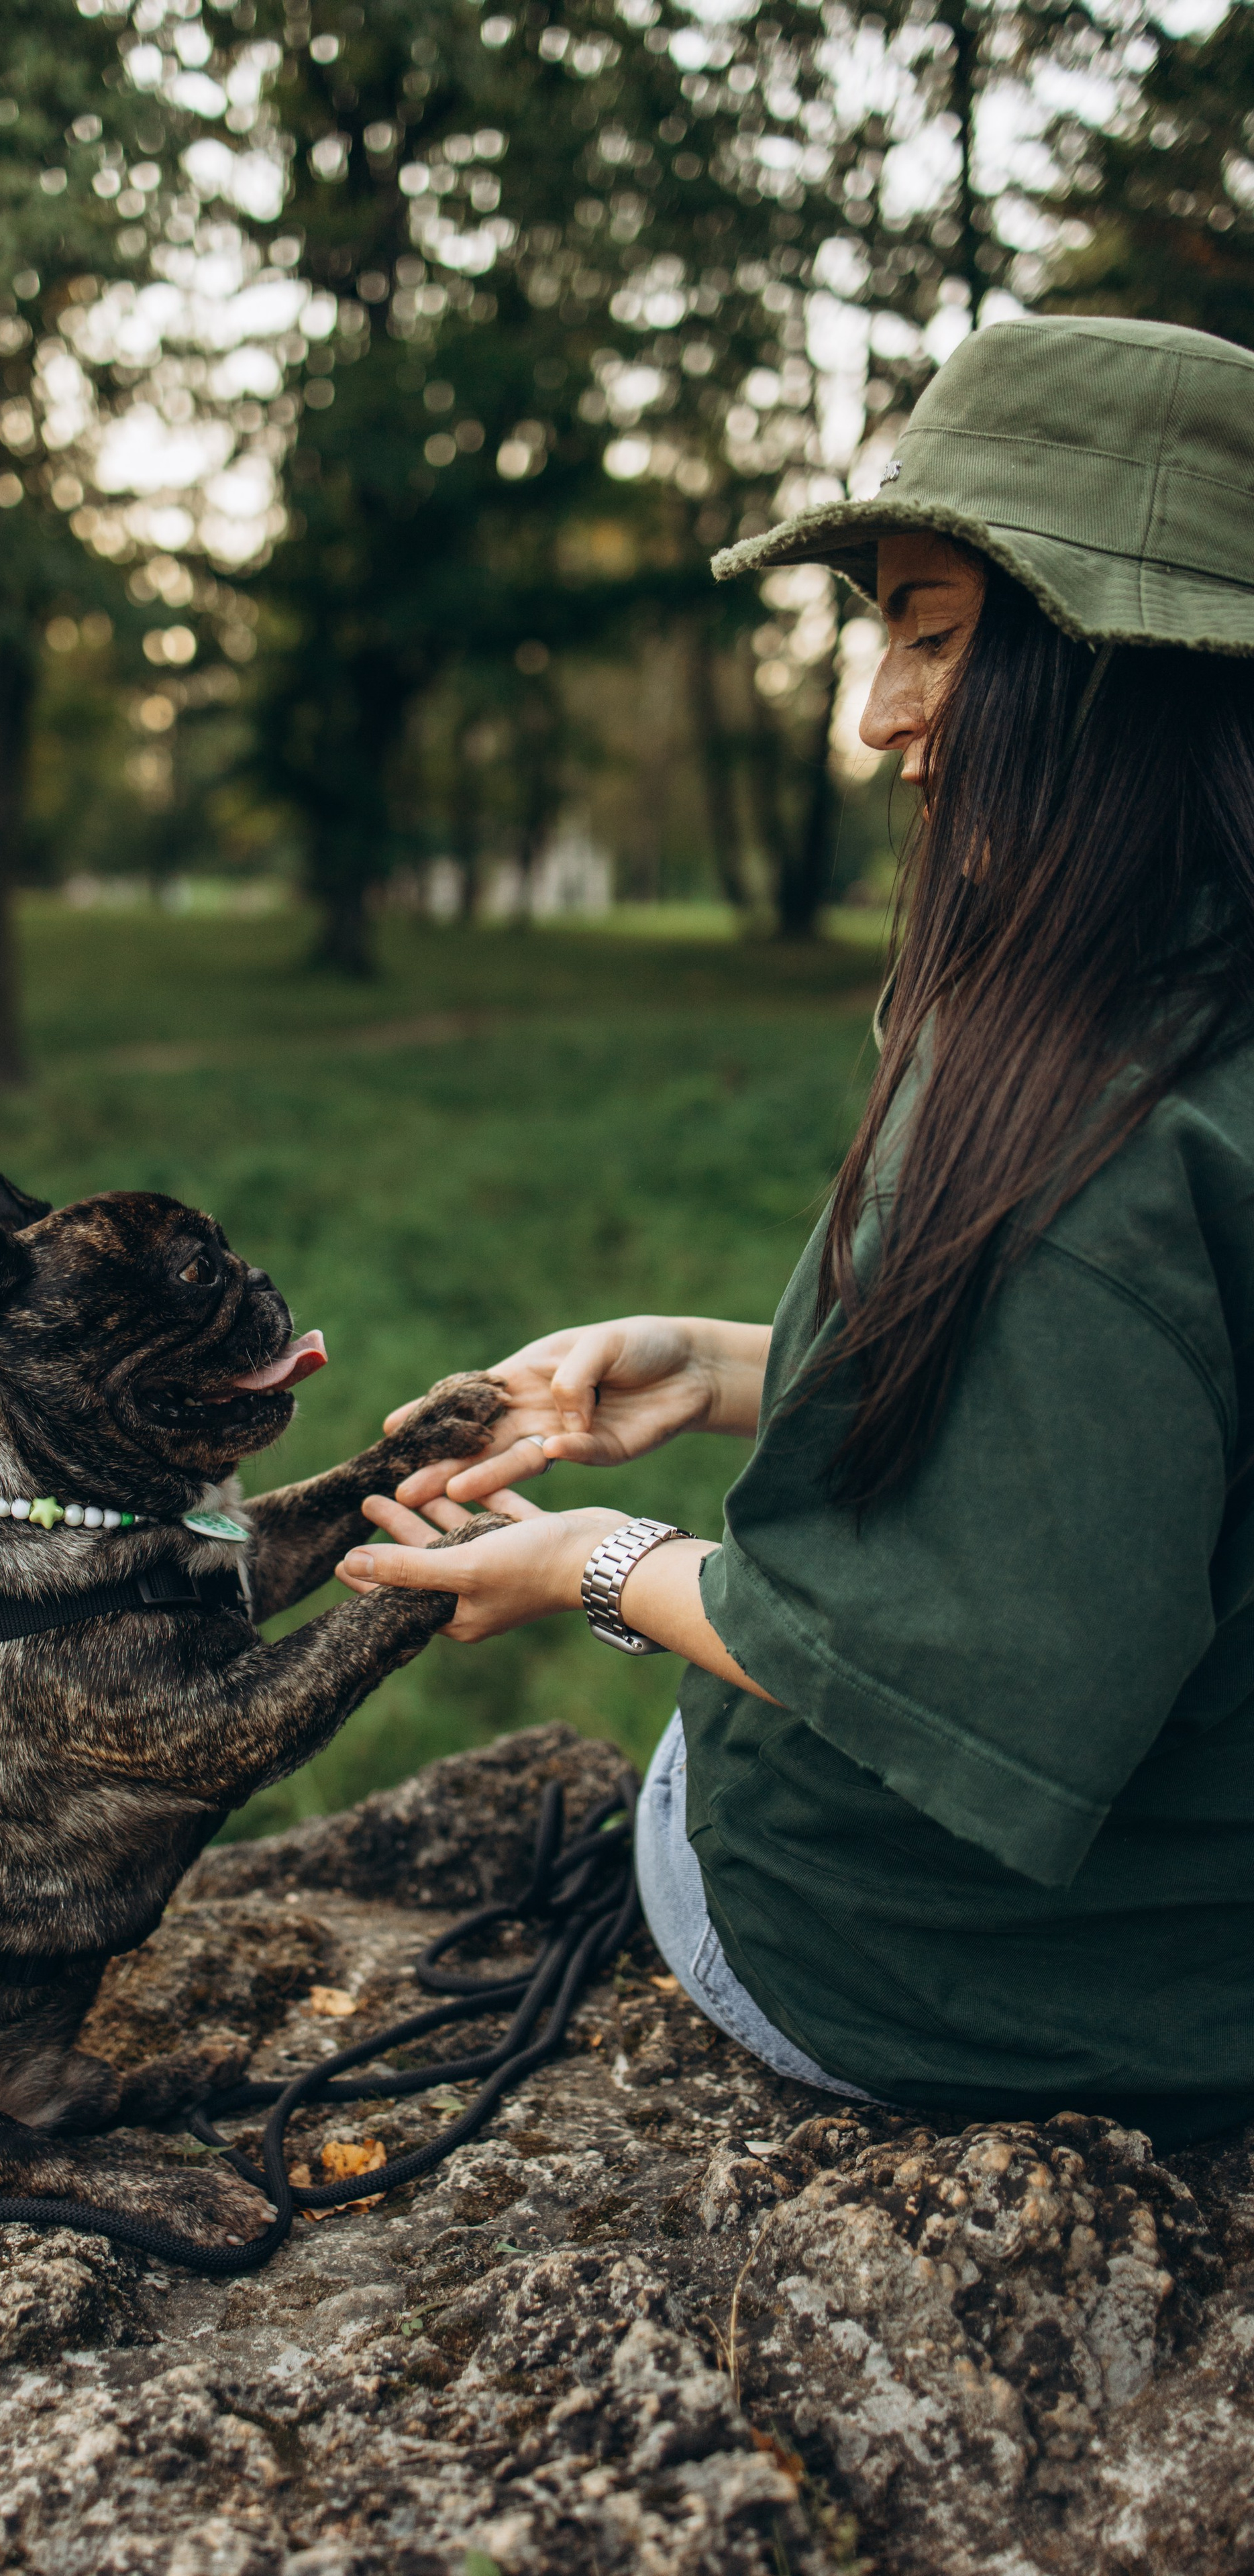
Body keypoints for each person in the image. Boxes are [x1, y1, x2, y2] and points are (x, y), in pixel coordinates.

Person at [335, 313, 1254, 2151]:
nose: (880, 719)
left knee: (695, 1772)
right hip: (1209, 1936)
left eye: (932, 630)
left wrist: (592, 1567)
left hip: (962, 1974)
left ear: (1125, 665)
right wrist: (729, 1365)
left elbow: (941, 1663)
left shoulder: (1085, 1119)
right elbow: (1154, 1439)